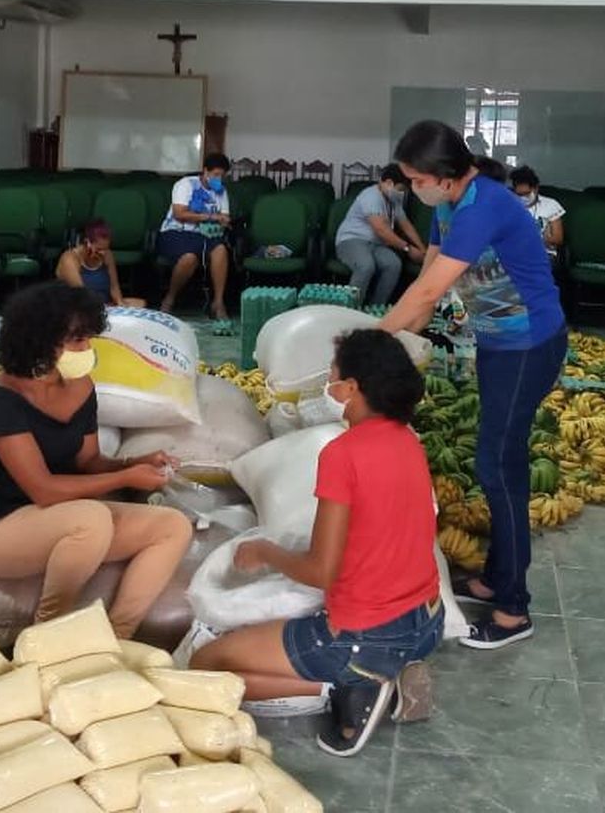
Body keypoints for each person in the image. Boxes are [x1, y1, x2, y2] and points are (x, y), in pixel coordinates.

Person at [192, 330, 442, 757]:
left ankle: (347, 687)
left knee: (206, 665)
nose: (327, 383)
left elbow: (320, 571)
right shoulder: (406, 440)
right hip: (426, 623)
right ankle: (381, 678)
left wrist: (265, 552)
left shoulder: (343, 454)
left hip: (365, 638)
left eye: (333, 375)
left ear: (351, 389)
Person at [376, 120, 566, 649]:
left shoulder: (484, 204)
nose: (411, 187)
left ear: (442, 174)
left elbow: (430, 289)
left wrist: (366, 344)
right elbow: (425, 289)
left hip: (529, 345)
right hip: (497, 343)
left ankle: (512, 610)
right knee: (501, 460)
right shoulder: (446, 207)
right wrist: (394, 343)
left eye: (415, 178)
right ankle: (493, 577)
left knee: (496, 465)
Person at [0, 283, 192, 637]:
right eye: (76, 341)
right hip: (0, 528)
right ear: (38, 341)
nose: (86, 349)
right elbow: (43, 491)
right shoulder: (1, 399)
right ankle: (46, 635)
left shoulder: (80, 386)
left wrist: (134, 462)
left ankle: (116, 637)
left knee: (173, 525)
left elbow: (90, 462)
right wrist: (125, 480)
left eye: (87, 339)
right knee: (92, 517)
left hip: (67, 518)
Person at [156, 153, 233, 326]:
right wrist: (212, 217)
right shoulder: (185, 185)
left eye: (222, 176)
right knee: (189, 258)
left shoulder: (221, 191)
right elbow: (180, 214)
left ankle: (218, 303)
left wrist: (222, 221)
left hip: (206, 235)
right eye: (215, 175)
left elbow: (224, 217)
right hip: (176, 232)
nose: (218, 179)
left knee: (220, 250)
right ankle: (170, 298)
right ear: (205, 171)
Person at [334, 164, 425, 306]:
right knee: (366, 265)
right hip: (351, 241)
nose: (401, 193)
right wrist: (408, 249)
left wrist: (422, 250)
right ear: (389, 183)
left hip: (375, 244)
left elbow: (405, 224)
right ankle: (350, 308)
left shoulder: (393, 199)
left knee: (393, 264)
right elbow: (382, 231)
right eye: (400, 189)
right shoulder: (370, 196)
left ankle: (375, 308)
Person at [56, 219, 145, 307]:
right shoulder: (70, 259)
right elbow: (82, 295)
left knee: (140, 303)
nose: (103, 253)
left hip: (105, 305)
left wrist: (120, 303)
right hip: (81, 307)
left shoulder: (107, 254)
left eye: (105, 249)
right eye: (99, 249)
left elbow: (114, 287)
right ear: (87, 243)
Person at [509, 166, 565, 256]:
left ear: (535, 189)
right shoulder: (509, 206)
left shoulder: (550, 205)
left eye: (526, 193)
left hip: (543, 253)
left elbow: (558, 239)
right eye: (519, 194)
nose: (523, 198)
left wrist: (542, 239)